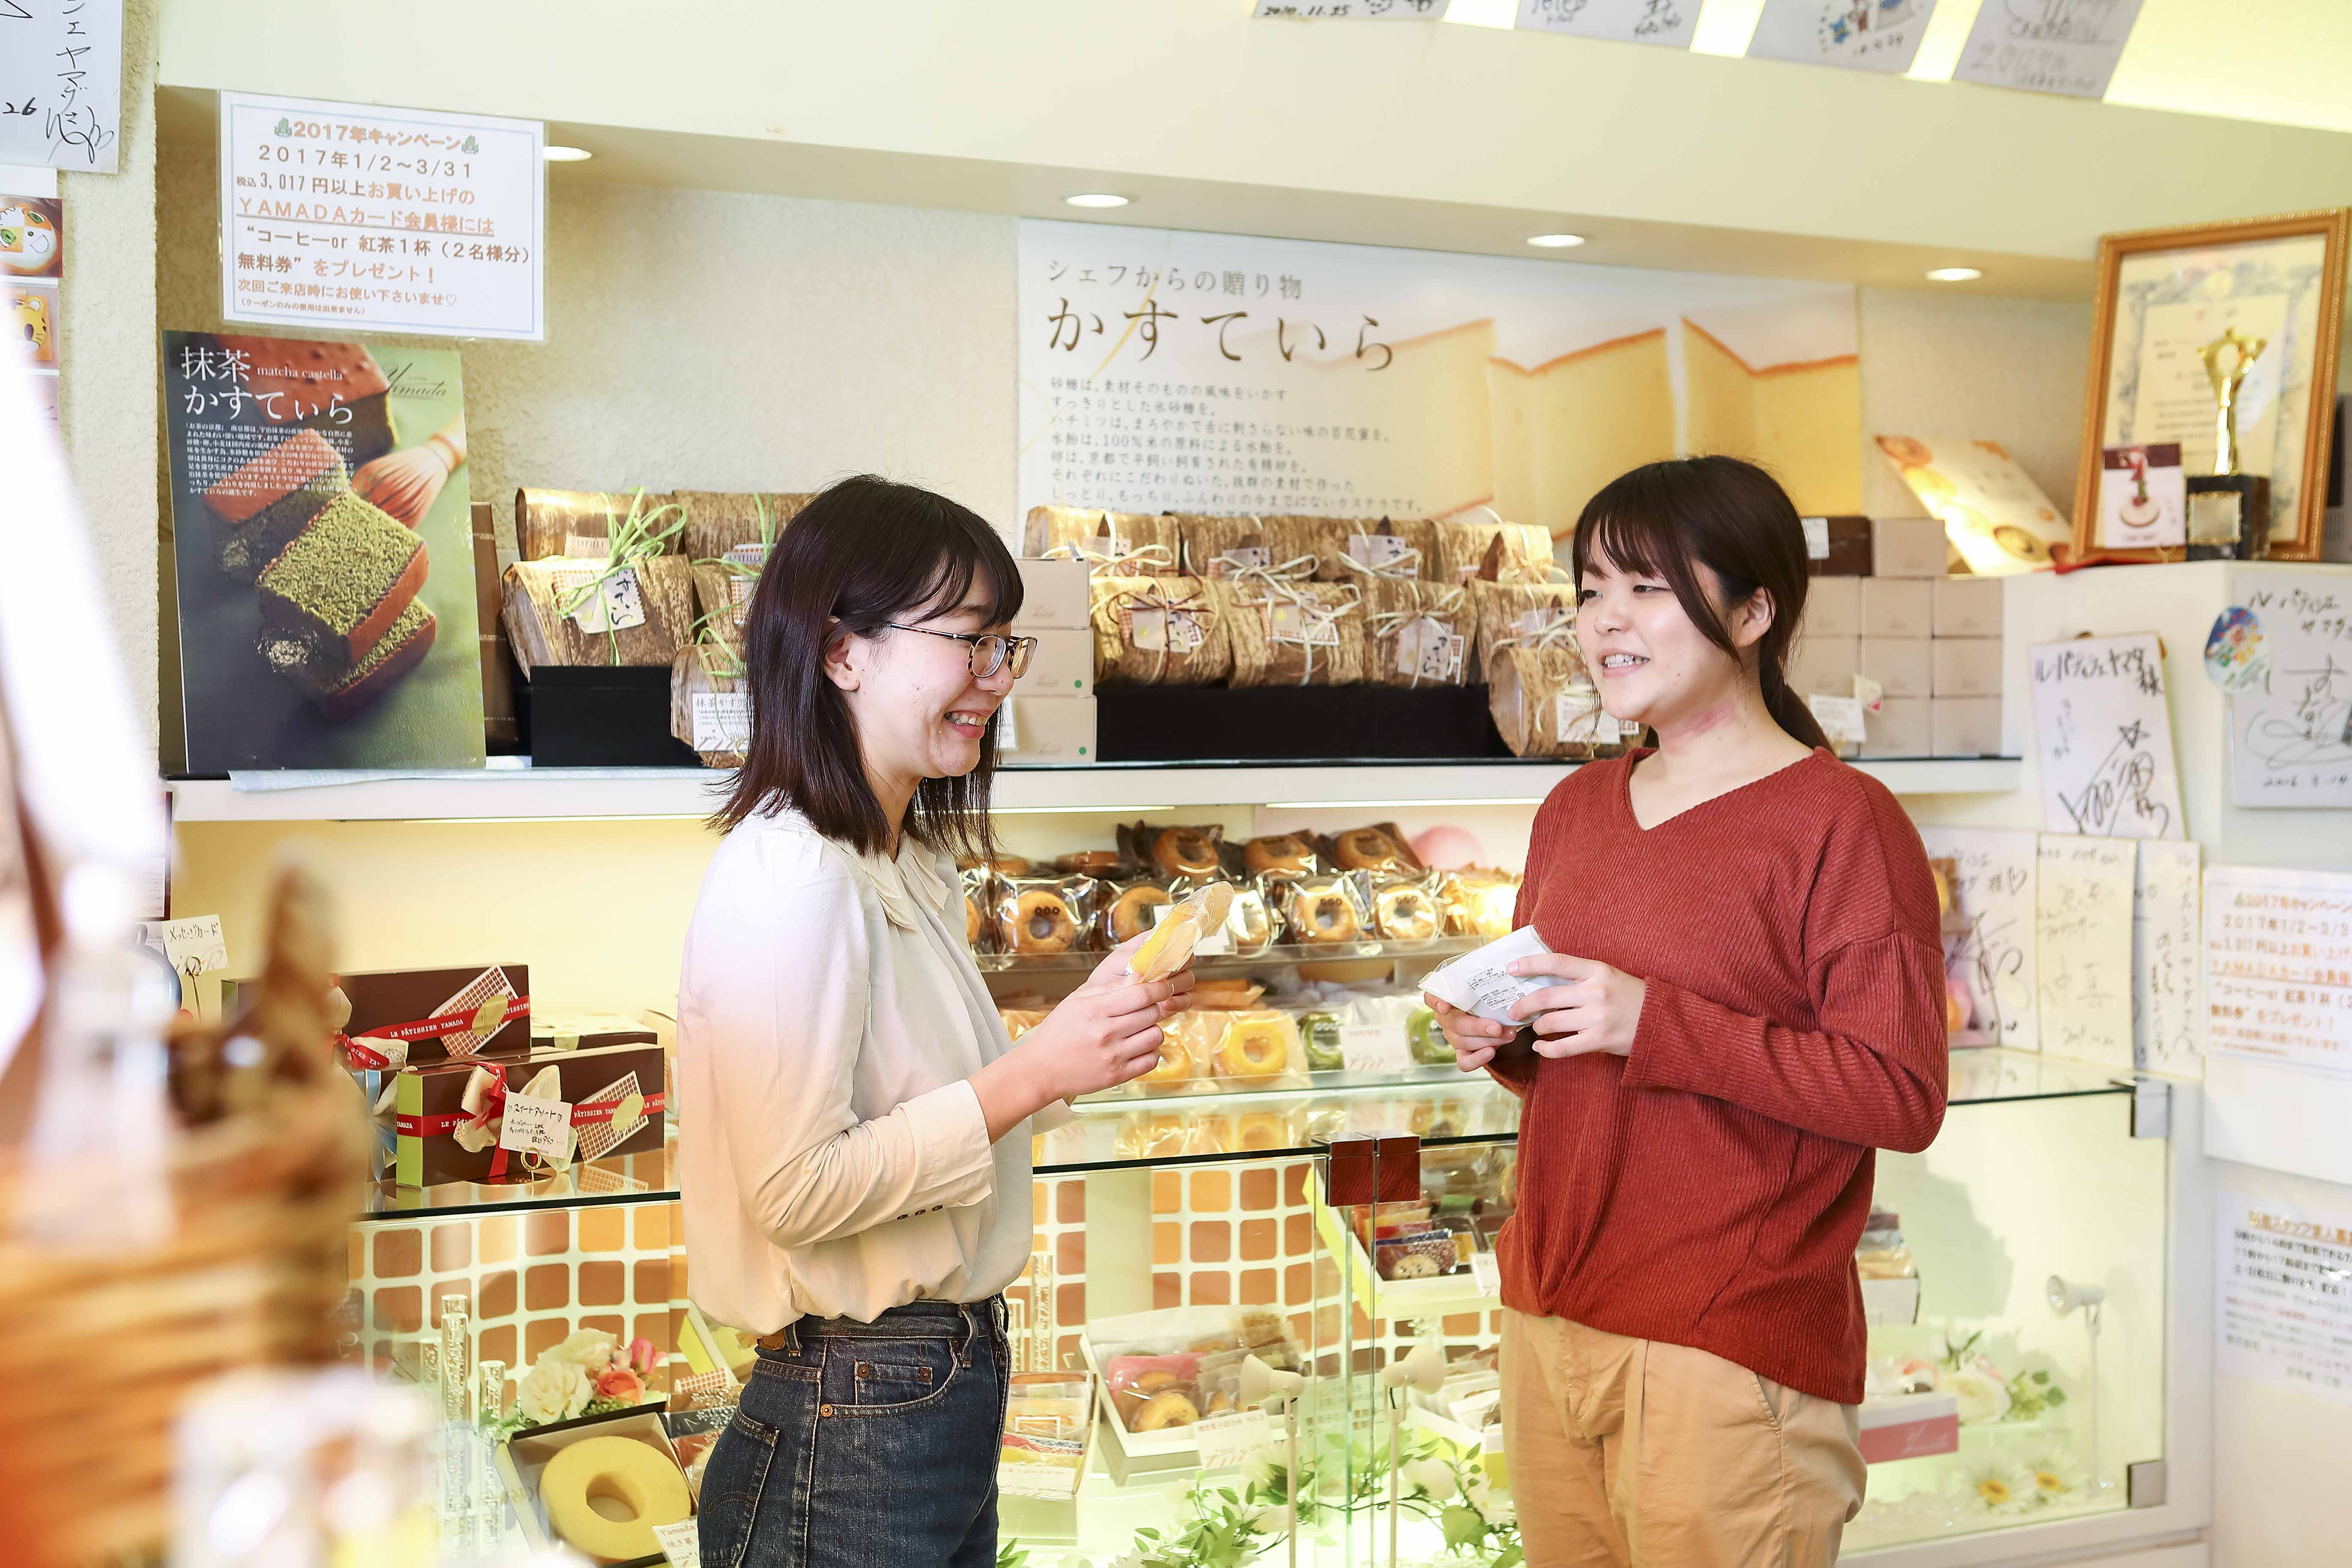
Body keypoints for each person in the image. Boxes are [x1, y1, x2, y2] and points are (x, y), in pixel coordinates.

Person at [1428, 456, 1948, 1568]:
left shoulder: (1840, 822)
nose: (1604, 619)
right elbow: (1591, 1050)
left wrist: (1646, 1018)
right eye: (1587, 588)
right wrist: (1505, 1036)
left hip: (1725, 1344)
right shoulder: (1574, 806)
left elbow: (1897, 1092)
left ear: (1753, 609)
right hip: (1548, 1314)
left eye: (1646, 586)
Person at [680, 476, 1191, 1568]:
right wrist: (1038, 1071)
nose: (991, 680)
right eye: (966, 640)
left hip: (914, 1399)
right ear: (839, 651)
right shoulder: (794, 869)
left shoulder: (904, 861)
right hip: (850, 1407)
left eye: (1005, 646)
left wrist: (1077, 1040)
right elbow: (796, 1190)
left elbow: (914, 1116)